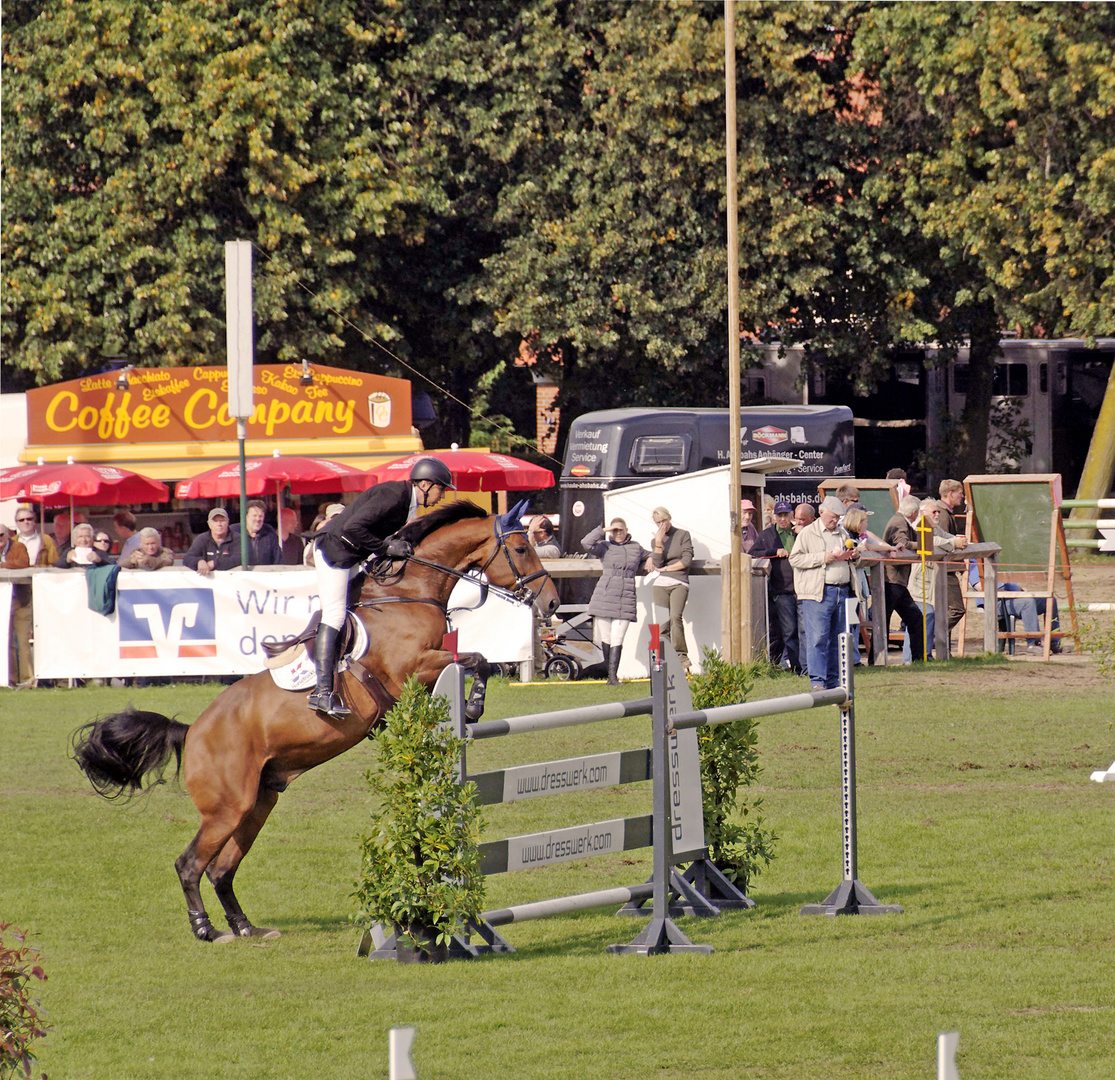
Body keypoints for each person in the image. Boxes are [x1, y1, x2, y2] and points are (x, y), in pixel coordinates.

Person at [309, 457, 455, 716]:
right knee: (334, 614)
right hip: (334, 552)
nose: (442, 496)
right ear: (424, 484)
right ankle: (321, 692)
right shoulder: (392, 495)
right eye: (441, 488)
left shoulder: (408, 504)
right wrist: (385, 547)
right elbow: (354, 527)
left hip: (352, 554)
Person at [790, 496, 861, 690]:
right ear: (821, 513)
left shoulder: (843, 533)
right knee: (818, 638)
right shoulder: (807, 534)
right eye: (832, 517)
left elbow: (853, 560)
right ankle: (818, 681)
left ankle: (833, 680)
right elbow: (795, 559)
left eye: (838, 517)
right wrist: (824, 558)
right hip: (818, 593)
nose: (834, 520)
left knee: (838, 639)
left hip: (842, 591)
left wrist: (854, 556)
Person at [582, 517, 650, 685]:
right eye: (615, 530)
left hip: (625, 597)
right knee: (606, 638)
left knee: (618, 637)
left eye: (620, 530)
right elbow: (585, 543)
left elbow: (655, 555)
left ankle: (612, 676)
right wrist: (603, 530)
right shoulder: (605, 546)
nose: (618, 533)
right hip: (604, 596)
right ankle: (610, 675)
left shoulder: (636, 547)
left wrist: (649, 559)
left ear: (627, 529)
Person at [750, 500, 800, 673]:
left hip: (802, 588)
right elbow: (752, 554)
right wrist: (773, 552)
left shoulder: (798, 532)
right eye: (780, 515)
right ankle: (794, 667)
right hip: (782, 590)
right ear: (774, 516)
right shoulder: (767, 534)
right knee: (788, 631)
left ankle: (801, 666)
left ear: (792, 515)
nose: (783, 519)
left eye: (786, 515)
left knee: (801, 630)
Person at [11, 506, 56, 687]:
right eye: (22, 520)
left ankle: (46, 676)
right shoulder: (11, 541)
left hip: (42, 591)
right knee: (19, 637)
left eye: (29, 518)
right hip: (19, 593)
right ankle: (20, 677)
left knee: (45, 633)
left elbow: (54, 563)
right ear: (16, 523)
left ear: (35, 520)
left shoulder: (45, 540)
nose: (26, 522)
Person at [646, 506, 694, 672]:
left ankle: (681, 655)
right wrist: (658, 544)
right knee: (661, 624)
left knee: (675, 617)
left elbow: (686, 561)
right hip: (660, 584)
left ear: (669, 518)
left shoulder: (682, 535)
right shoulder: (656, 540)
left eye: (663, 521)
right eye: (658, 522)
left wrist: (666, 569)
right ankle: (664, 659)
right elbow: (657, 564)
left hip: (679, 582)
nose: (661, 525)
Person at [882, 494, 926, 664]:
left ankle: (917, 659)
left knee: (914, 618)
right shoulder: (900, 522)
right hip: (892, 581)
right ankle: (877, 660)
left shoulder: (899, 520)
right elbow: (903, 543)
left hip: (896, 582)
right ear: (914, 512)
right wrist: (922, 546)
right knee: (884, 622)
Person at [934, 479, 970, 630]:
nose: (962, 497)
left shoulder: (945, 512)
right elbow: (941, 542)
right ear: (950, 494)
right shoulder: (941, 514)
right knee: (956, 609)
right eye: (960, 493)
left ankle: (943, 647)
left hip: (946, 568)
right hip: (944, 569)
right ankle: (933, 635)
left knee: (945, 609)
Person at [1, 524, 31, 686]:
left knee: (23, 640)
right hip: (3, 602)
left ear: (8, 535)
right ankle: (10, 679)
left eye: (1, 535)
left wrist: (3, 565)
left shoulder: (19, 546)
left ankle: (27, 680)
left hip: (21, 599)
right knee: (7, 642)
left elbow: (22, 563)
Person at [183, 507, 241, 576]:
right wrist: (199, 562)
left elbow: (240, 558)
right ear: (209, 524)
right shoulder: (202, 539)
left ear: (228, 522)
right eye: (215, 521)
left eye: (222, 520)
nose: (219, 524)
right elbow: (187, 558)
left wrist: (214, 563)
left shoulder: (237, 538)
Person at [233, 500, 282, 567]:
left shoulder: (269, 531)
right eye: (254, 516)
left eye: (261, 516)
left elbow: (278, 559)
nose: (258, 519)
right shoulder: (234, 531)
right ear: (246, 516)